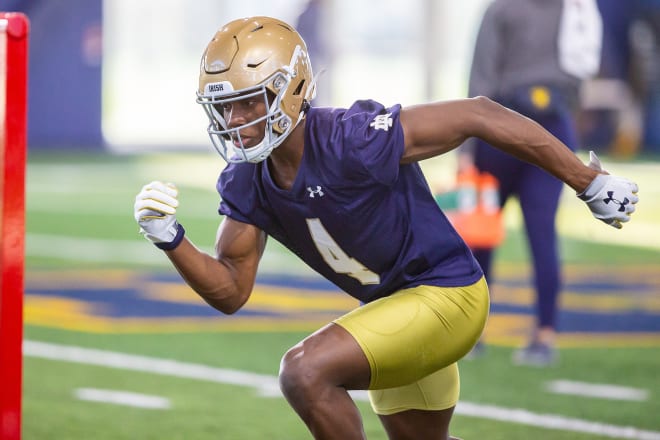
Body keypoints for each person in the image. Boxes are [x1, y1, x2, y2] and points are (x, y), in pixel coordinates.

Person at [133, 16, 637, 440]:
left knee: (304, 371)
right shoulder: (247, 178)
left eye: (249, 101)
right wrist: (171, 239)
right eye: (226, 106)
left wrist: (585, 179)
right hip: (397, 311)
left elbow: (478, 114)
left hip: (447, 296)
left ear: (293, 89)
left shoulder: (351, 139)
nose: (236, 120)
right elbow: (230, 289)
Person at [457, 0, 604, 366]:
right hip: (549, 126)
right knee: (532, 234)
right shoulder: (577, 8)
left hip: (502, 127)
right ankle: (543, 335)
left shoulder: (503, 9)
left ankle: (475, 334)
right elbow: (584, 70)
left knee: (484, 236)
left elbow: (480, 80)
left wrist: (468, 145)